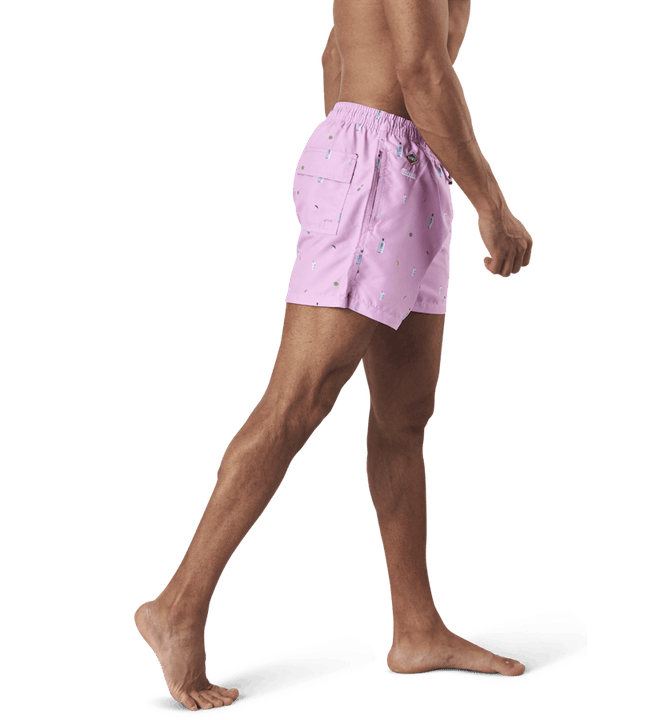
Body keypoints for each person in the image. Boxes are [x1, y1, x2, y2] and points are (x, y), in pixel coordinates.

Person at [133, 0, 533, 711]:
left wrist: (356, 159)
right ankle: (177, 606)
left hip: (408, 166)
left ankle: (417, 630)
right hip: (379, 168)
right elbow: (419, 66)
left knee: (404, 416)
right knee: (298, 401)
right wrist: (489, 203)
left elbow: (333, 53)